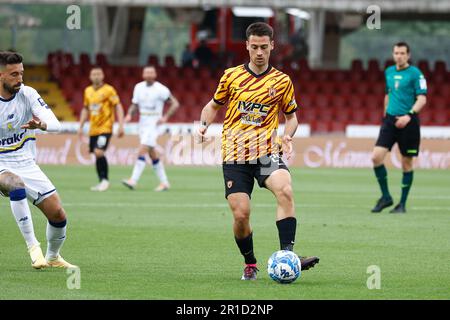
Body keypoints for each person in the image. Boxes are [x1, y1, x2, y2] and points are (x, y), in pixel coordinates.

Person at [196, 22, 319, 280]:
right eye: (255, 47)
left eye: (264, 47)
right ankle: (250, 262)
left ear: (272, 46)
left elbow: (292, 117)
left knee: (285, 189)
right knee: (241, 214)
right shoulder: (231, 76)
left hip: (266, 153)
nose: (260, 52)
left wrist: (287, 135)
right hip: (235, 154)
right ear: (247, 46)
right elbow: (212, 106)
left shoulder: (282, 81)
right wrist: (203, 126)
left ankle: (288, 255)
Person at [0, 51, 76, 269]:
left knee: (58, 215)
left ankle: (53, 257)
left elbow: (56, 125)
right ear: (1, 76)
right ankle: (33, 247)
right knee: (15, 184)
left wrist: (40, 125)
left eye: (21, 73)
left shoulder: (28, 94)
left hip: (26, 163)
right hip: (1, 163)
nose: (20, 79)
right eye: (14, 74)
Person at [371, 42, 427, 213]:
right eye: (396, 53)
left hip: (409, 123)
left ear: (408, 55)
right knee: (376, 157)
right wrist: (385, 115)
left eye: (402, 53)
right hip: (389, 122)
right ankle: (386, 197)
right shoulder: (388, 72)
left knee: (406, 163)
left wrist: (408, 115)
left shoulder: (416, 74)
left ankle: (402, 204)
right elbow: (388, 95)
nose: (399, 56)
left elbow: (422, 99)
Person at [122, 66, 179, 191]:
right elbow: (135, 104)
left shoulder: (161, 89)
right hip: (142, 123)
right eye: (146, 72)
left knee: (142, 149)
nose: (148, 74)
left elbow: (175, 103)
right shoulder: (138, 87)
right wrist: (129, 115)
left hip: (154, 124)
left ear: (155, 74)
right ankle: (164, 183)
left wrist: (165, 117)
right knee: (152, 153)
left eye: (151, 72)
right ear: (143, 74)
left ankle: (133, 180)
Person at [78, 67, 125, 192]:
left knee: (99, 152)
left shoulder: (109, 90)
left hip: (105, 128)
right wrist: (81, 126)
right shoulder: (87, 91)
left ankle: (105, 180)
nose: (96, 76)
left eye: (99, 74)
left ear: (103, 76)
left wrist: (121, 124)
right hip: (93, 129)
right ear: (90, 76)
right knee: (96, 154)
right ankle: (101, 181)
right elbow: (85, 109)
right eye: (94, 74)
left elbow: (118, 106)